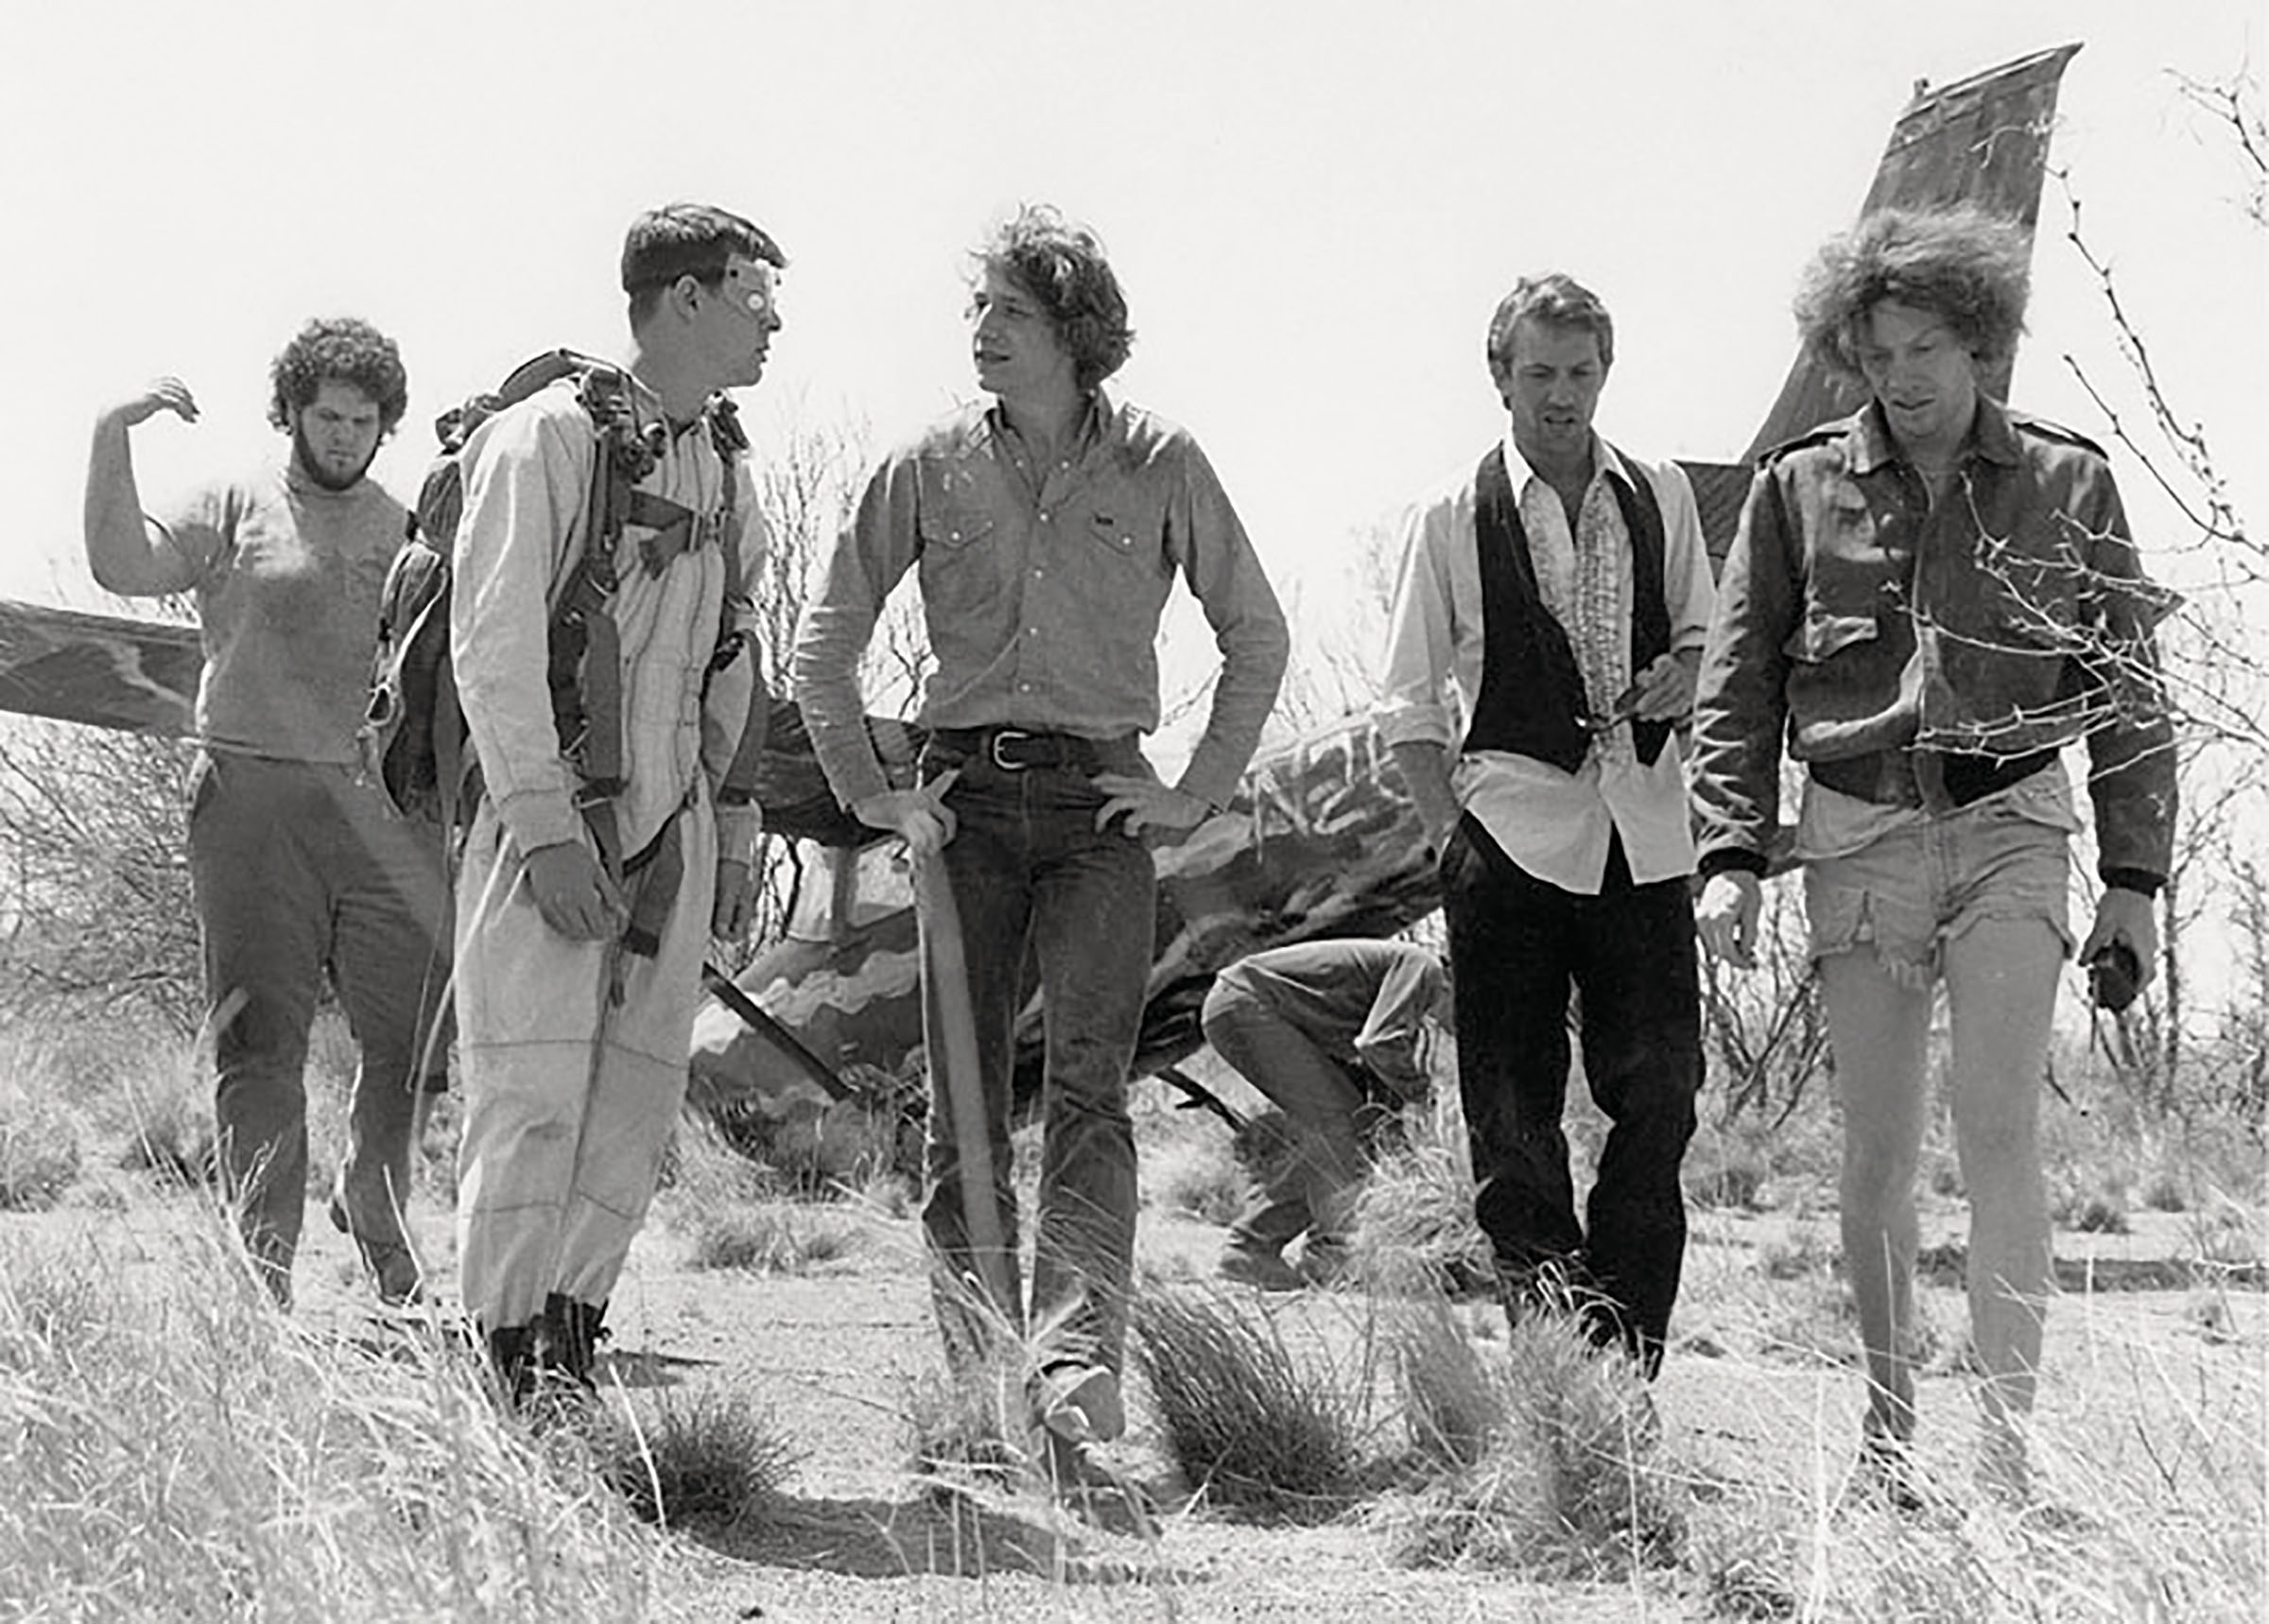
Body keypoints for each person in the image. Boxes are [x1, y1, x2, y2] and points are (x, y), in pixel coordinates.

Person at [1689, 205, 2176, 1505]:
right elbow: (1735, 680)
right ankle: (1893, 1433)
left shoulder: (2069, 481)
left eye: (1926, 347)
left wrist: (2135, 879)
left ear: (1980, 344)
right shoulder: (1801, 488)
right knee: (1877, 1155)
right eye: (1879, 349)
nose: (1902, 375)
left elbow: (2129, 688)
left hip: (2013, 823)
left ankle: (2010, 1457)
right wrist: (1729, 851)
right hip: (1856, 831)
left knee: (2001, 1132)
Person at [791, 204, 1288, 1477]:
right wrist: (873, 793)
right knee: (964, 1108)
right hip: (963, 809)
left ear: (1074, 330)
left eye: (1005, 313)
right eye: (975, 313)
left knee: (1085, 1090)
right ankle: (979, 1370)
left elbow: (1257, 634)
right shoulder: (925, 466)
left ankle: (1076, 1360)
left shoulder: (1164, 463)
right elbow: (826, 642)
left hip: (1101, 814)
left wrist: (1198, 789)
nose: (979, 335)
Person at [449, 203, 781, 1397]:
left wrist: (729, 830)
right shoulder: (541, 441)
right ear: (681, 299)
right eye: (752, 295)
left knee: (635, 1098)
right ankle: (490, 1362)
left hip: (672, 827)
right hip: (550, 823)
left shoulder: (725, 462)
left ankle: (569, 1343)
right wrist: (543, 830)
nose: (771, 321)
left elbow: (737, 652)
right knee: (529, 1093)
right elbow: (489, 650)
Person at [1377, 273, 1713, 1378]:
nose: (1560, 397)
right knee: (1513, 1126)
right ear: (1500, 378)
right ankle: (1558, 1366)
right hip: (1511, 839)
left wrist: (1683, 679)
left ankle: (1627, 1370)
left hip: (1646, 836)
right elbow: (1408, 703)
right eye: (1539, 375)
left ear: (1605, 373)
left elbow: (1710, 642)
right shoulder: (1449, 514)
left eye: (1579, 373)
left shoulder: (1657, 491)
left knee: (1659, 1095)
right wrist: (1452, 842)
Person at [80, 319, 451, 1310]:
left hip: (381, 810)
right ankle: (265, 1269)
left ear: (386, 426)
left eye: (363, 420)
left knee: (411, 1038)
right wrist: (112, 430)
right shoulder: (238, 500)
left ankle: (374, 1201)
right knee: (261, 1043)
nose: (342, 435)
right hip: (252, 800)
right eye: (326, 415)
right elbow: (124, 561)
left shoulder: (410, 528)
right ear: (292, 409)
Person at [1207, 938, 1448, 1291]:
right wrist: (1422, 1094)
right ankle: (1250, 1247)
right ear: (1455, 984)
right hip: (1247, 1004)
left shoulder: (1410, 1005)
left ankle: (1324, 1254)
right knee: (1340, 1128)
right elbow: (1377, 1044)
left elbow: (1379, 1103)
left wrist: (1402, 1149)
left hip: (1248, 1009)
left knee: (1354, 1128)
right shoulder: (1424, 969)